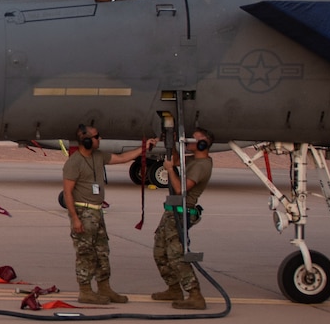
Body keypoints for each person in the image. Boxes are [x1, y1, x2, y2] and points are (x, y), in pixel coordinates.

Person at [60, 126, 148, 304]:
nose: (100, 139)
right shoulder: (74, 162)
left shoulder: (98, 156)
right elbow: (67, 192)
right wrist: (75, 218)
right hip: (83, 212)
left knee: (102, 251)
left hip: (96, 212)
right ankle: (85, 290)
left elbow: (123, 158)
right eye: (96, 137)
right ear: (86, 140)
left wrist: (145, 148)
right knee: (85, 253)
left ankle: (104, 287)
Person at [152, 130, 216, 310]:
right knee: (160, 251)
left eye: (193, 139)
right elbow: (176, 159)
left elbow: (181, 189)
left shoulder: (201, 165)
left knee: (175, 254)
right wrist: (171, 143)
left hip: (181, 212)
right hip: (172, 211)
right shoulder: (194, 160)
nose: (188, 140)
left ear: (203, 144)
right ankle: (173, 288)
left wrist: (170, 170)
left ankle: (195, 294)